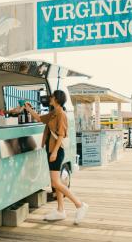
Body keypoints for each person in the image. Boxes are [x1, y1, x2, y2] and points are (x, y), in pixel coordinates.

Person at [25, 90, 89, 224]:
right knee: (57, 181)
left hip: (56, 151)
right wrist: (28, 108)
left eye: (52, 97)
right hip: (51, 150)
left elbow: (61, 135)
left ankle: (80, 205)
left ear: (57, 99)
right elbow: (39, 118)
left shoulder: (61, 114)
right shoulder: (53, 113)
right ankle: (60, 210)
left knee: (55, 183)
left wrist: (54, 152)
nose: (50, 98)